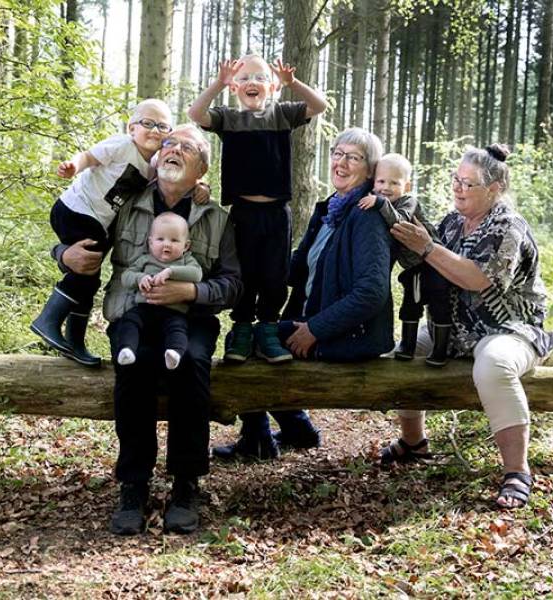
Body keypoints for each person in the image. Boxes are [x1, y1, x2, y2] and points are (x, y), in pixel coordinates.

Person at [61, 124, 241, 535]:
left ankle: (185, 484)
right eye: (168, 144)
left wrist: (192, 290)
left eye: (187, 147)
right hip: (134, 312)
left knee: (193, 362)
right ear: (156, 158)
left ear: (202, 170)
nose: (174, 150)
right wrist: (63, 253)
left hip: (190, 317)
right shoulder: (127, 201)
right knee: (134, 366)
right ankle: (133, 485)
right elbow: (82, 233)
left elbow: (233, 284)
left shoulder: (215, 218)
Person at [384, 144, 553, 510]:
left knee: (493, 365)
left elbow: (477, 279)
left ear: (494, 189)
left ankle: (517, 472)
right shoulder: (451, 222)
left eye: (468, 184)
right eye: (455, 180)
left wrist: (428, 248)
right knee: (404, 352)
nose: (458, 188)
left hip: (509, 329)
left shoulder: (508, 227)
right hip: (456, 331)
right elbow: (425, 263)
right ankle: (414, 443)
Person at [213, 127, 394, 460]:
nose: (340, 162)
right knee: (254, 336)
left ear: (370, 169)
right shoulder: (330, 209)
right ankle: (298, 432)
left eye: (352, 158)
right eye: (337, 153)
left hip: (352, 334)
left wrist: (315, 330)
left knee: (255, 343)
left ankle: (257, 441)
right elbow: (295, 270)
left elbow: (371, 292)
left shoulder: (366, 216)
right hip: (311, 320)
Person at [188, 55, 327, 364]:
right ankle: (241, 330)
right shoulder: (229, 118)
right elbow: (195, 113)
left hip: (277, 213)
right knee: (244, 271)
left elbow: (319, 106)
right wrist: (217, 83)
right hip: (242, 213)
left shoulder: (282, 114)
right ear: (235, 87)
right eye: (245, 78)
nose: (253, 83)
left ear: (273, 86)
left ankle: (267, 329)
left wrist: (294, 83)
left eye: (261, 78)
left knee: (275, 273)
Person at [31, 99, 173, 367]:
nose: (154, 130)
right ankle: (47, 320)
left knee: (89, 279)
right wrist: (74, 166)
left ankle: (75, 340)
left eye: (162, 126)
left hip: (97, 220)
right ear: (132, 128)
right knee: (86, 272)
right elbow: (88, 156)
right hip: (77, 209)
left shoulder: (153, 166)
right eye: (147, 123)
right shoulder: (122, 145)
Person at [356, 153, 448, 365]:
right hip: (413, 268)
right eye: (380, 182)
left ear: (406, 186)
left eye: (394, 183)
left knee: (438, 305)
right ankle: (407, 345)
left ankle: (440, 349)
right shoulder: (385, 201)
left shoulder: (408, 202)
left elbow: (400, 222)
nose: (385, 187)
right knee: (410, 305)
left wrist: (379, 202)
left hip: (433, 264)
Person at [115, 212, 203, 369]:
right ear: (150, 242)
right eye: (160, 239)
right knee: (129, 320)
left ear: (186, 246)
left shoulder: (185, 260)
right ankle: (127, 349)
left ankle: (174, 353)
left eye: (174, 240)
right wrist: (140, 278)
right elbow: (126, 276)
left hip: (173, 311)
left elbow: (197, 274)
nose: (167, 244)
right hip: (145, 308)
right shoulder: (146, 259)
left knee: (178, 328)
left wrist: (171, 272)